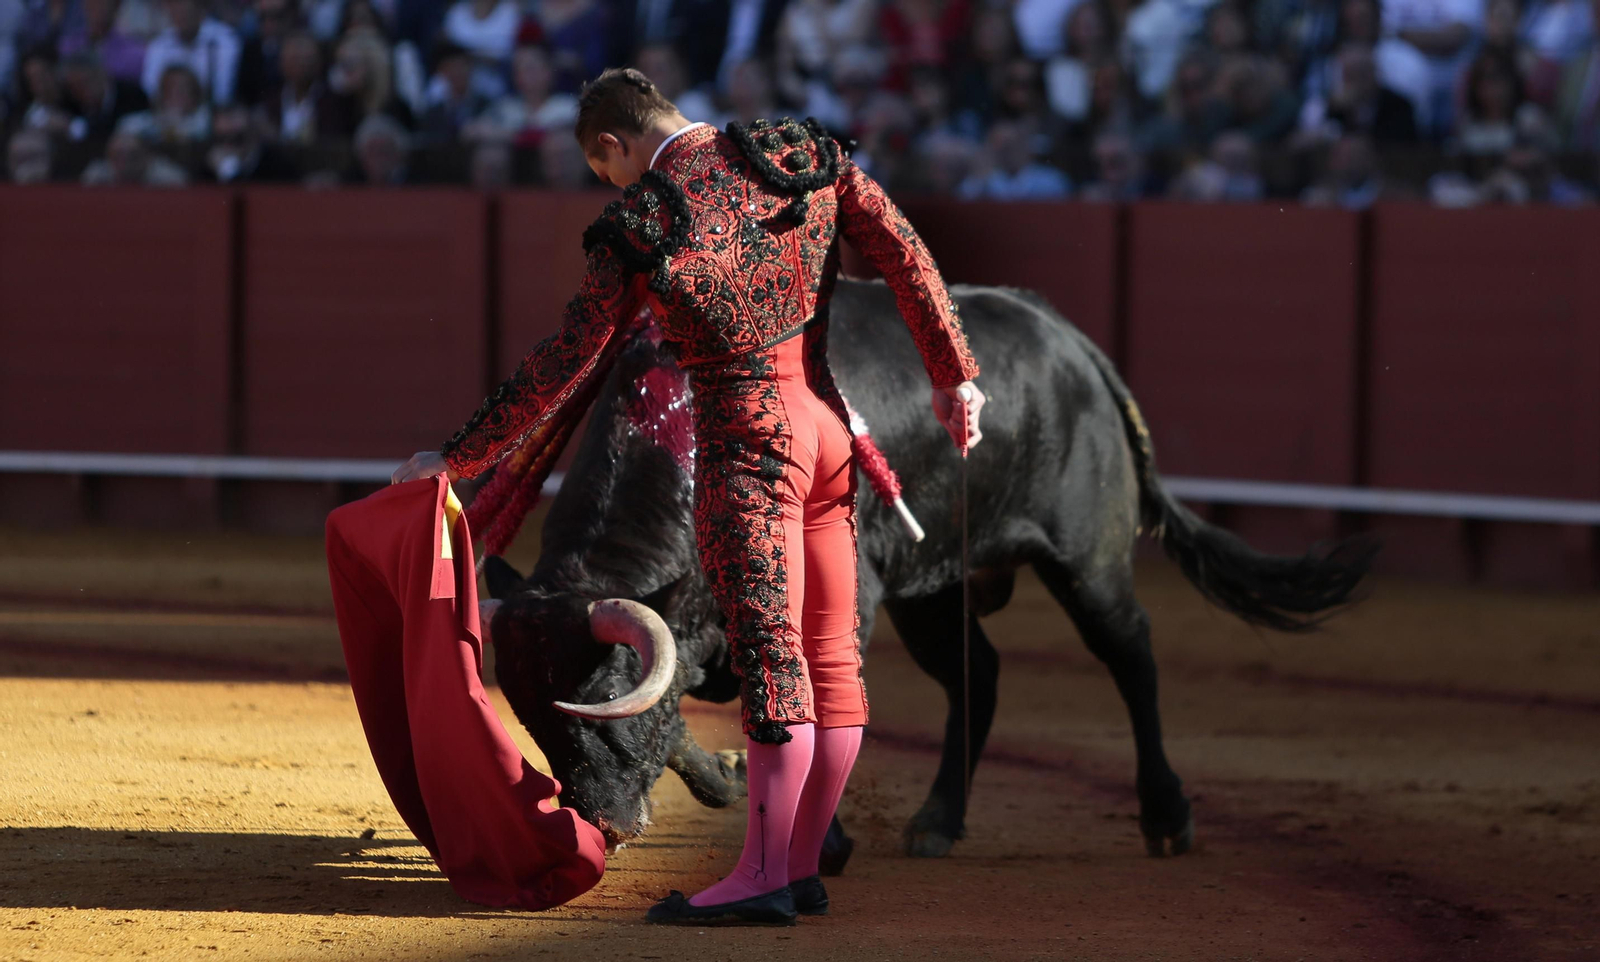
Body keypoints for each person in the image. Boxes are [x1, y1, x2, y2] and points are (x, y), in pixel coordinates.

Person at [391, 68, 985, 925]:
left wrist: (458, 459)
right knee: (832, 659)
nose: (615, 184)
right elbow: (902, 250)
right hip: (827, 432)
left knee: (775, 664)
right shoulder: (799, 150)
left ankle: (762, 875)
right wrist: (954, 375)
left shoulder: (644, 222)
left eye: (607, 170)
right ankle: (801, 865)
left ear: (611, 145)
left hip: (750, 449)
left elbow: (565, 364)